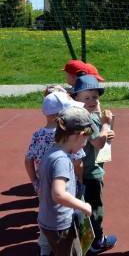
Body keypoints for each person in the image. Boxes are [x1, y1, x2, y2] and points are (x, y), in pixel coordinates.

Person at [25, 92, 85, 256]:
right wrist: (80, 178)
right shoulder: (67, 137)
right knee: (64, 218)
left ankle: (44, 250)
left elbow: (28, 159)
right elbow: (78, 163)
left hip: (43, 185)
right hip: (63, 187)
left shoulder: (38, 135)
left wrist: (35, 182)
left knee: (45, 215)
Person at [37, 106, 94, 256]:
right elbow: (59, 194)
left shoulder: (50, 153)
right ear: (78, 135)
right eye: (85, 140)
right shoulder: (62, 160)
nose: (84, 144)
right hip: (60, 225)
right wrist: (83, 205)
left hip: (47, 220)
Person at [72, 74, 117, 254]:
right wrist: (106, 126)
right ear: (76, 98)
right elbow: (99, 142)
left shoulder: (88, 115)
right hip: (90, 172)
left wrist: (107, 131)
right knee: (94, 207)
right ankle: (97, 241)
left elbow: (102, 138)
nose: (92, 101)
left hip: (85, 170)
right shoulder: (85, 119)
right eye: (87, 98)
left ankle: (82, 239)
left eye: (95, 97)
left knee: (83, 206)